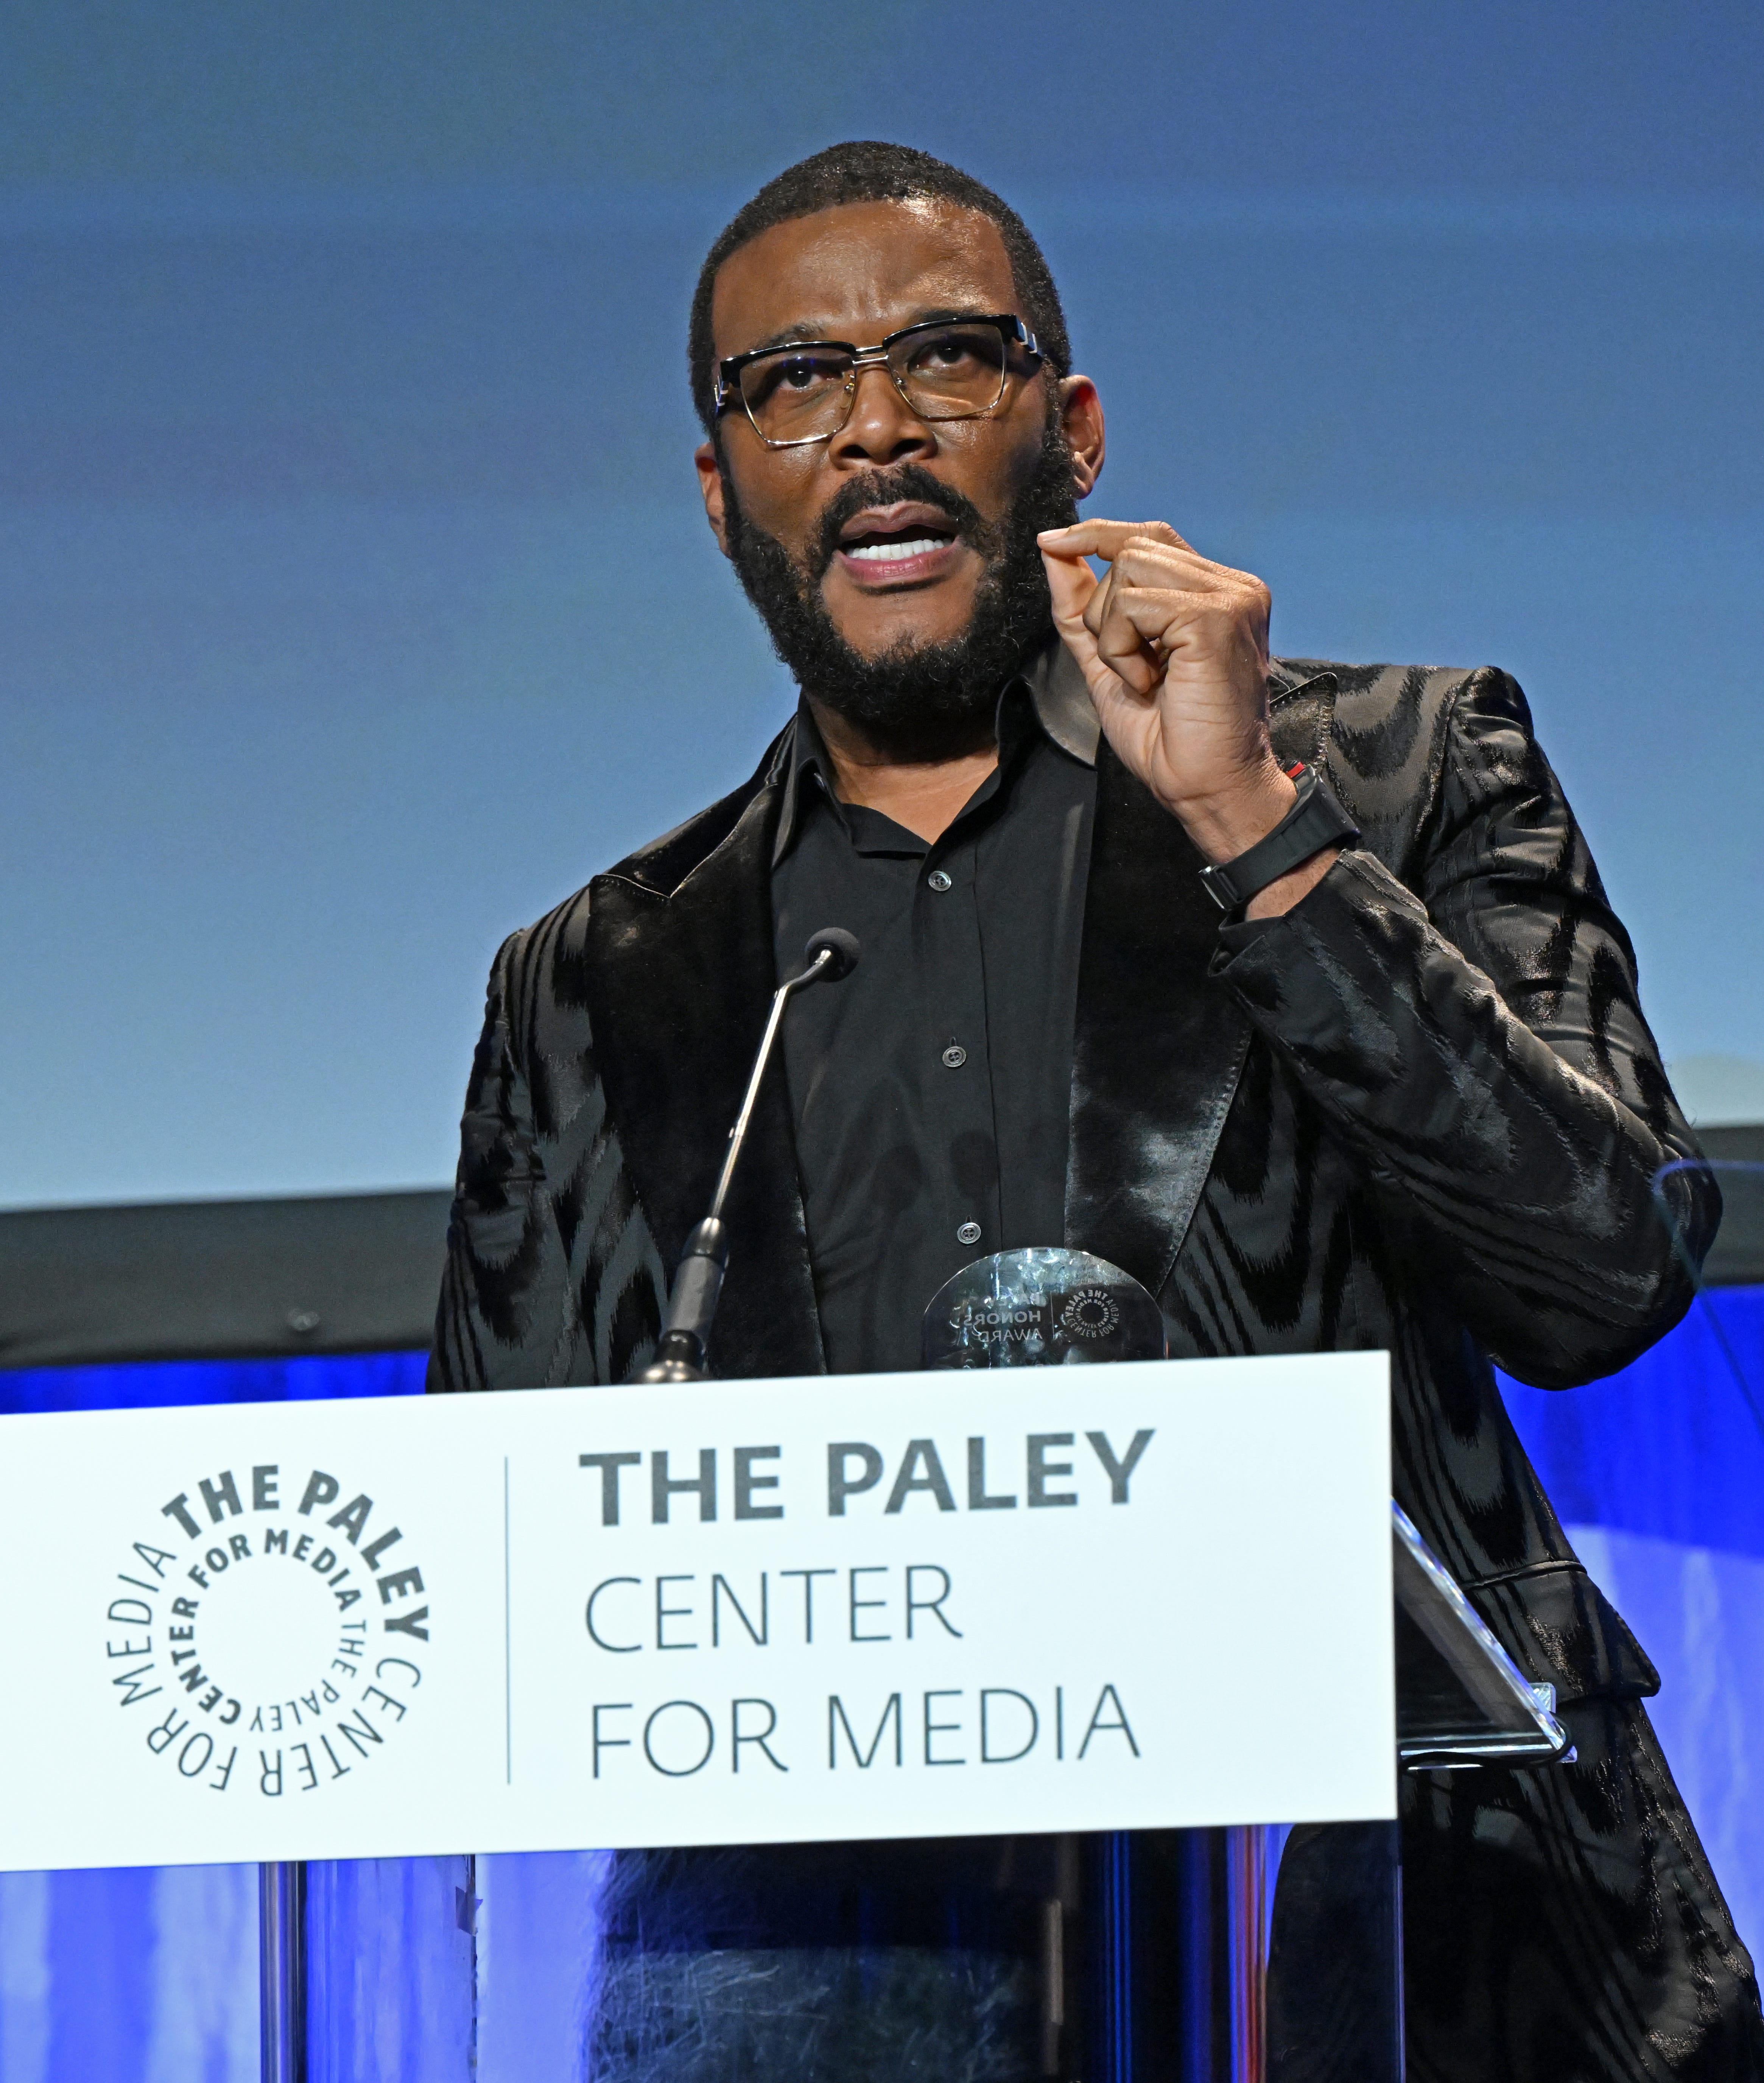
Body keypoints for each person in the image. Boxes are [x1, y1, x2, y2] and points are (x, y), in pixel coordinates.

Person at [431, 141, 1761, 2081]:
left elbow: (1602, 1278)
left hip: (1393, 1897)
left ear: (1069, 429)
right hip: (809, 1969)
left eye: (945, 356)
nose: (875, 425)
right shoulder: (594, 972)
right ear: (722, 492)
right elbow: (497, 1567)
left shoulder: (1394, 770)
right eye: (792, 380)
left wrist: (1253, 830)